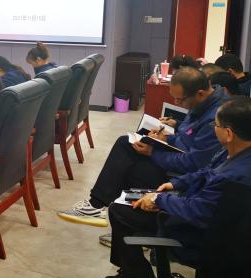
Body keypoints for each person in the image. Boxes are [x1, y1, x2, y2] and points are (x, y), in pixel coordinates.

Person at [105, 97, 251, 278]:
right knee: (133, 197)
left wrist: (159, 200)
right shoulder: (234, 152)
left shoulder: (233, 178)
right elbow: (207, 171)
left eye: (216, 125)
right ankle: (131, 272)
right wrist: (177, 184)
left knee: (119, 211)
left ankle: (138, 276)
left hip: (195, 233)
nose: (213, 128)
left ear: (228, 133)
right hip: (195, 206)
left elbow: (197, 211)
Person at [58, 67, 224, 227]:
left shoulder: (215, 120)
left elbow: (193, 163)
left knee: (131, 166)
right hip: (178, 155)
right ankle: (101, 208)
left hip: (183, 175)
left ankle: (110, 213)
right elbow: (189, 134)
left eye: (180, 100)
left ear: (200, 93)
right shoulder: (202, 104)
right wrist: (166, 137)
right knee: (126, 142)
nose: (176, 103)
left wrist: (153, 153)